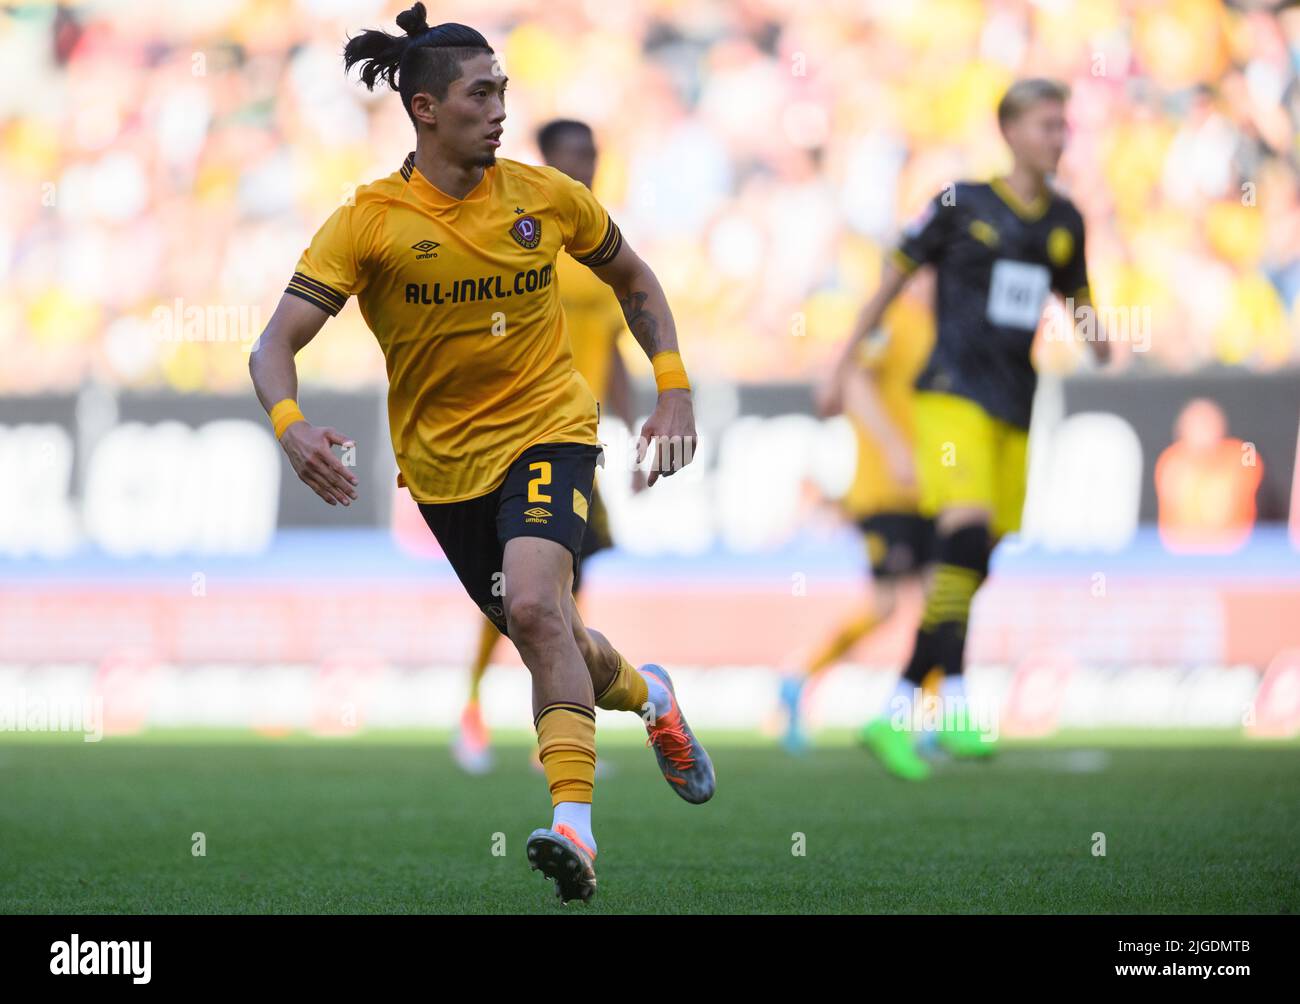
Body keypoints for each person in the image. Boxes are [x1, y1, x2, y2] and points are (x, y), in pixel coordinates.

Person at [247, 6, 714, 905]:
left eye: (503, 88)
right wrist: (290, 424)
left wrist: (675, 387)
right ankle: (652, 697)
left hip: (551, 429)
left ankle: (573, 828)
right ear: (425, 109)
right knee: (563, 641)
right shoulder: (369, 223)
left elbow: (634, 279)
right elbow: (273, 345)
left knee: (540, 610)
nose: (501, 106)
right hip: (444, 470)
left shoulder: (545, 196)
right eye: (481, 92)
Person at [823, 79, 1109, 780]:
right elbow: (893, 276)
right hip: (952, 395)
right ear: (1009, 132)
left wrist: (1102, 336)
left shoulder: (1066, 218)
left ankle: (923, 706)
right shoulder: (960, 203)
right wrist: (842, 356)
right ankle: (927, 705)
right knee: (967, 534)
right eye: (1046, 125)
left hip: (1016, 403)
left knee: (973, 562)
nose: (1057, 138)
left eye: (1062, 126)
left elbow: (1078, 297)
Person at [452, 118, 645, 776]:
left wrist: (637, 422)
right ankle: (481, 710)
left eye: (590, 155)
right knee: (523, 592)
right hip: (517, 432)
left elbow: (615, 348)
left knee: (557, 590)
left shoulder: (596, 244)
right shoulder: (523, 241)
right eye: (570, 157)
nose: (583, 167)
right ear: (545, 162)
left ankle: (556, 731)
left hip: (575, 440)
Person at [780, 292, 935, 758]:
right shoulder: (889, 317)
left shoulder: (945, 320)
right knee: (887, 605)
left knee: (938, 603)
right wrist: (892, 448)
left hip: (931, 487)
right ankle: (799, 677)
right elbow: (853, 382)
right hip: (885, 487)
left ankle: (925, 720)